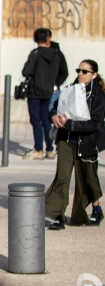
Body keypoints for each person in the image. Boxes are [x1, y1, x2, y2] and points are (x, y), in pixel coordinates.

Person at [45, 60, 105, 229]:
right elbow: (54, 108)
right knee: (62, 176)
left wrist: (70, 124)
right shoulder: (70, 89)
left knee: (89, 178)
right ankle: (58, 216)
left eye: (85, 71)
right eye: (78, 70)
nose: (80, 73)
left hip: (87, 142)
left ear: (94, 75)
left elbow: (94, 123)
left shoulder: (98, 96)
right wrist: (53, 117)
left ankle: (96, 209)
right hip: (66, 140)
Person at [21, 28, 66, 160]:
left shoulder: (35, 54)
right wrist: (55, 85)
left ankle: (38, 149)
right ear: (48, 39)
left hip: (34, 93)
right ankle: (50, 149)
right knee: (47, 121)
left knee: (36, 121)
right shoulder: (57, 53)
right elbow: (65, 72)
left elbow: (25, 71)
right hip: (49, 93)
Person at [46, 29, 69, 113]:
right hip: (39, 92)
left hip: (53, 91)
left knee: (51, 114)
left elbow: (64, 72)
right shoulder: (37, 53)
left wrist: (56, 85)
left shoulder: (57, 53)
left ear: (49, 38)